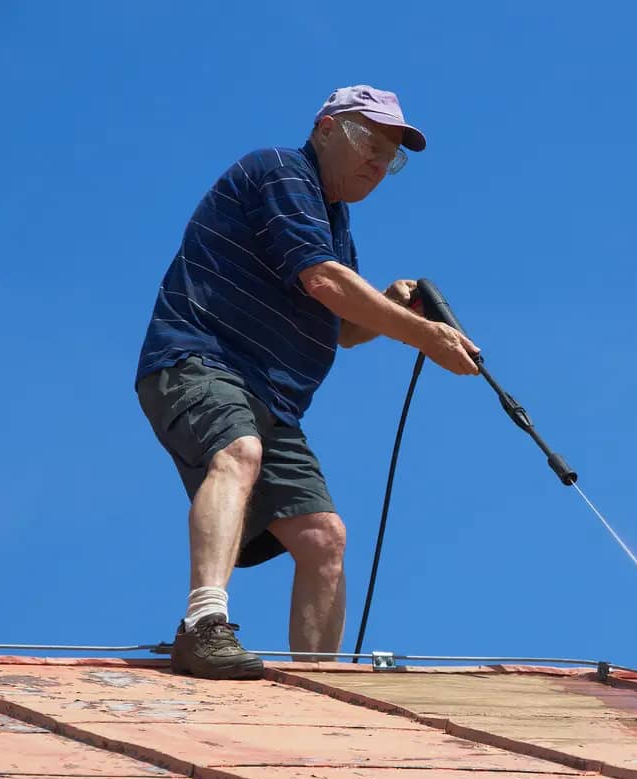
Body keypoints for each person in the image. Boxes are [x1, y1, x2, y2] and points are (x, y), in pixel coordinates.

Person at [135, 85, 479, 680]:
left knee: (324, 537)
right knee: (237, 451)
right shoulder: (282, 171)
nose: (379, 163)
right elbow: (322, 280)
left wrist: (389, 308)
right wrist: (424, 336)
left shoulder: (335, 224)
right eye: (371, 143)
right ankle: (203, 625)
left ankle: (320, 685)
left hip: (272, 400)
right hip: (201, 360)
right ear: (325, 128)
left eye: (390, 157)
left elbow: (341, 327)